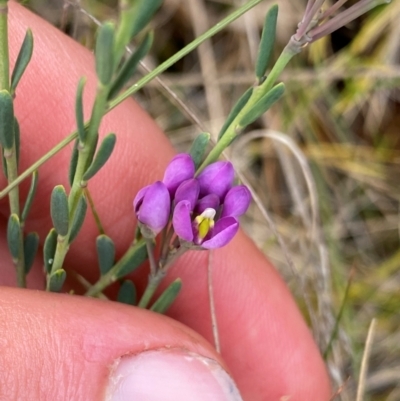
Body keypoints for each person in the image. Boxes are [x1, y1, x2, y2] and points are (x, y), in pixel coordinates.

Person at [0, 2, 331, 400]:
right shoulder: (177, 210)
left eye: (206, 219)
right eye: (199, 216)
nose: (205, 218)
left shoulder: (193, 218)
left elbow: (209, 198)